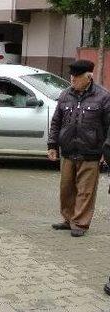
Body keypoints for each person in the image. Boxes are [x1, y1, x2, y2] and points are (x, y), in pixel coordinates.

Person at [48, 59, 110, 237]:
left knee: (85, 191)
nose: (72, 79)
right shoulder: (65, 94)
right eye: (71, 76)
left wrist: (106, 150)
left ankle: (80, 224)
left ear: (88, 77)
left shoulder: (103, 97)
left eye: (76, 77)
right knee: (66, 188)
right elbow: (56, 122)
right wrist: (52, 145)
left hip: (91, 152)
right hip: (68, 150)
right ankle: (68, 219)